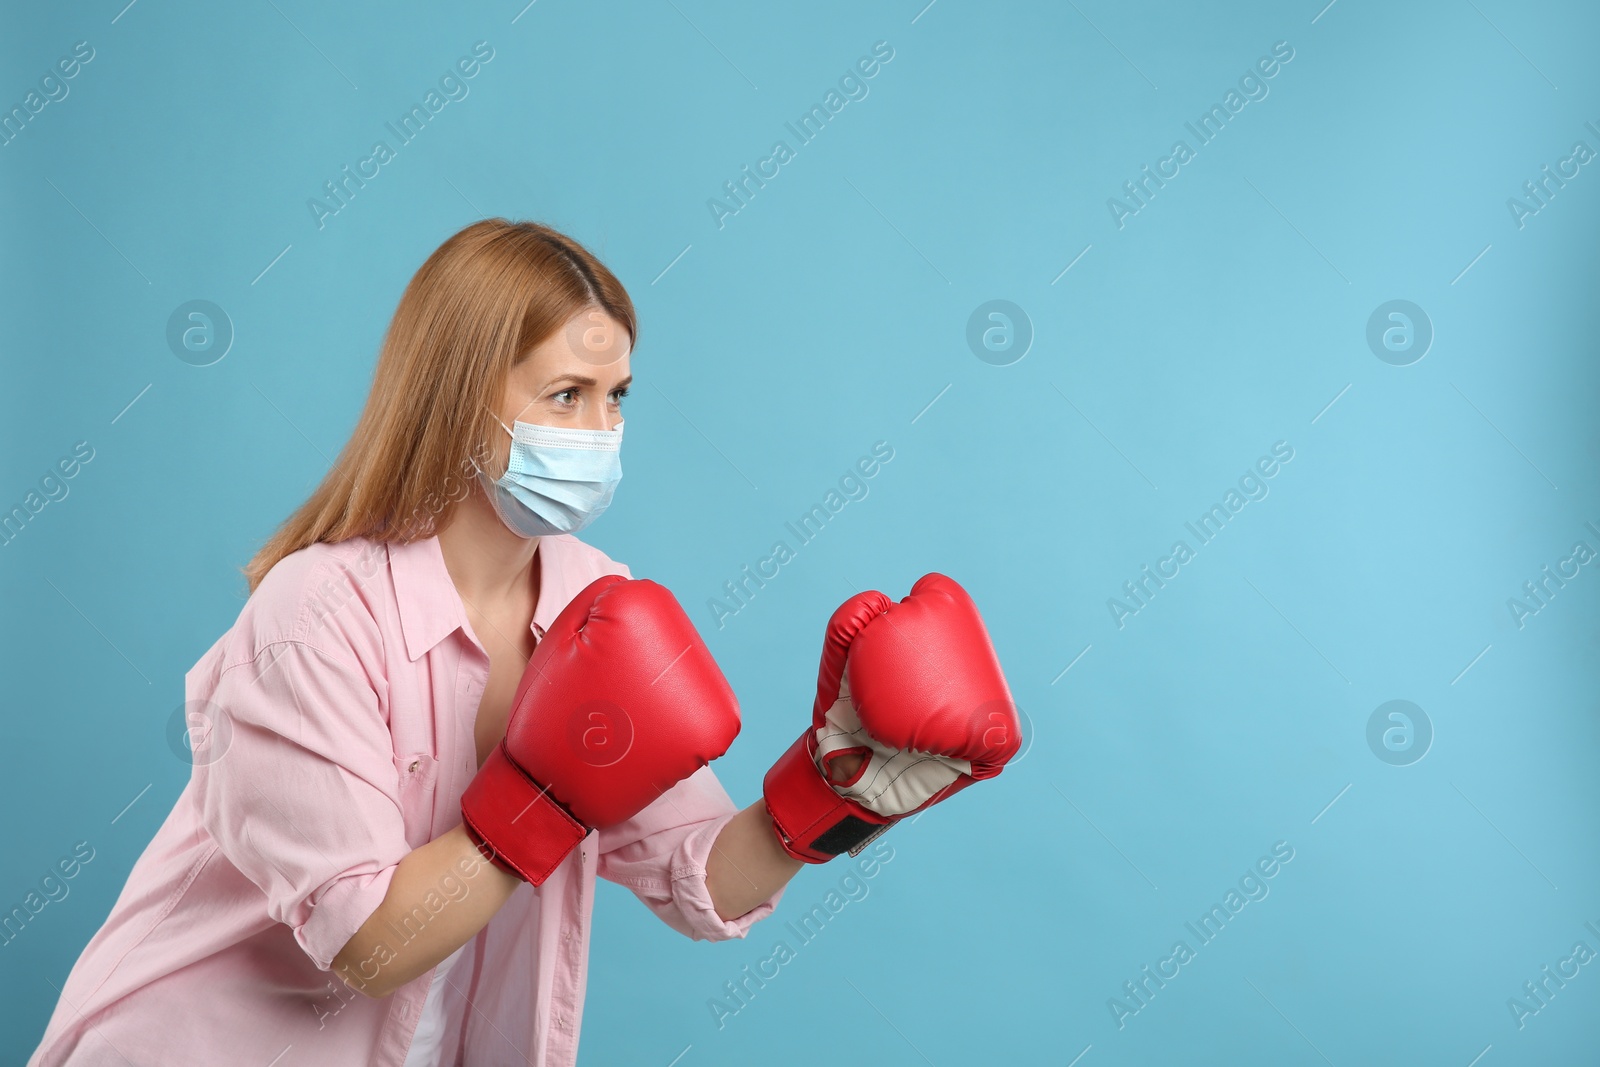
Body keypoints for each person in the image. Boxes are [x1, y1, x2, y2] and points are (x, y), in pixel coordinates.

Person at [28, 219, 1021, 1066]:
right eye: (564, 396)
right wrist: (549, 795)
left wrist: (831, 792)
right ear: (459, 400)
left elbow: (697, 882)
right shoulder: (317, 612)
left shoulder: (600, 601)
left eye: (616, 394)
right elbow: (369, 945)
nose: (599, 430)